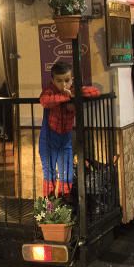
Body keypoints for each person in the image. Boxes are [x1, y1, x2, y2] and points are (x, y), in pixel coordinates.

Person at [38, 61, 100, 198]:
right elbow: (44, 100)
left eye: (67, 80)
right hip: (48, 139)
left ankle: (64, 205)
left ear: (72, 79)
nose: (63, 84)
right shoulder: (50, 90)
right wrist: (65, 97)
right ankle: (50, 207)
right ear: (53, 81)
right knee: (49, 174)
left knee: (67, 173)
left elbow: (95, 91)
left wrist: (75, 93)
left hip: (65, 139)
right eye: (59, 81)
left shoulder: (73, 90)